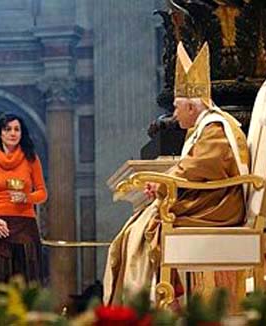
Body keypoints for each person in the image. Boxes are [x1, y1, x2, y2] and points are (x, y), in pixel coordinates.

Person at [103, 42, 250, 304]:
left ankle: (145, 305)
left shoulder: (215, 128)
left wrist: (162, 185)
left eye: (176, 107)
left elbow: (198, 167)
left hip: (220, 206)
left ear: (192, 108)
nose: (173, 114)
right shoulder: (204, 128)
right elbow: (192, 167)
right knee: (137, 226)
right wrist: (162, 183)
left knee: (144, 228)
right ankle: (140, 302)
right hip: (212, 200)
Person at [0, 113, 48, 299]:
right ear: (0, 133)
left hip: (25, 225)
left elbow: (42, 193)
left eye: (17, 129)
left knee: (26, 280)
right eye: (8, 129)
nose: (13, 133)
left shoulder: (31, 159)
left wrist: (26, 198)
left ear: (22, 133)